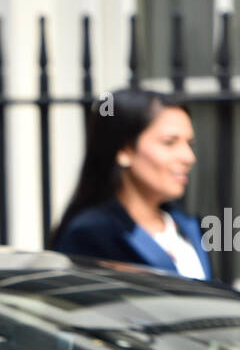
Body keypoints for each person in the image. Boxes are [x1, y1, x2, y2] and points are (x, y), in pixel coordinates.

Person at [49, 87, 212, 279]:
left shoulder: (187, 224)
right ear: (125, 150)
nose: (188, 157)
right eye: (169, 142)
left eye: (189, 143)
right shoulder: (91, 236)